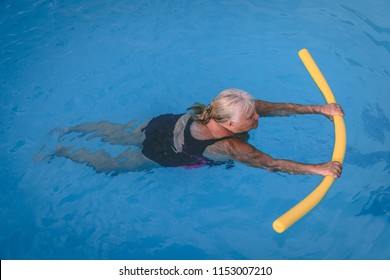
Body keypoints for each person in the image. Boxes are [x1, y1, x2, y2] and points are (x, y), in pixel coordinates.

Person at [51, 88, 344, 176]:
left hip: (165, 124)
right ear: (230, 126)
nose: (257, 117)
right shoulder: (230, 147)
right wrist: (317, 168)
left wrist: (320, 109)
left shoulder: (230, 107)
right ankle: (62, 151)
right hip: (166, 151)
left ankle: (67, 130)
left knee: (118, 133)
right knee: (117, 165)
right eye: (251, 117)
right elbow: (272, 164)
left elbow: (276, 107)